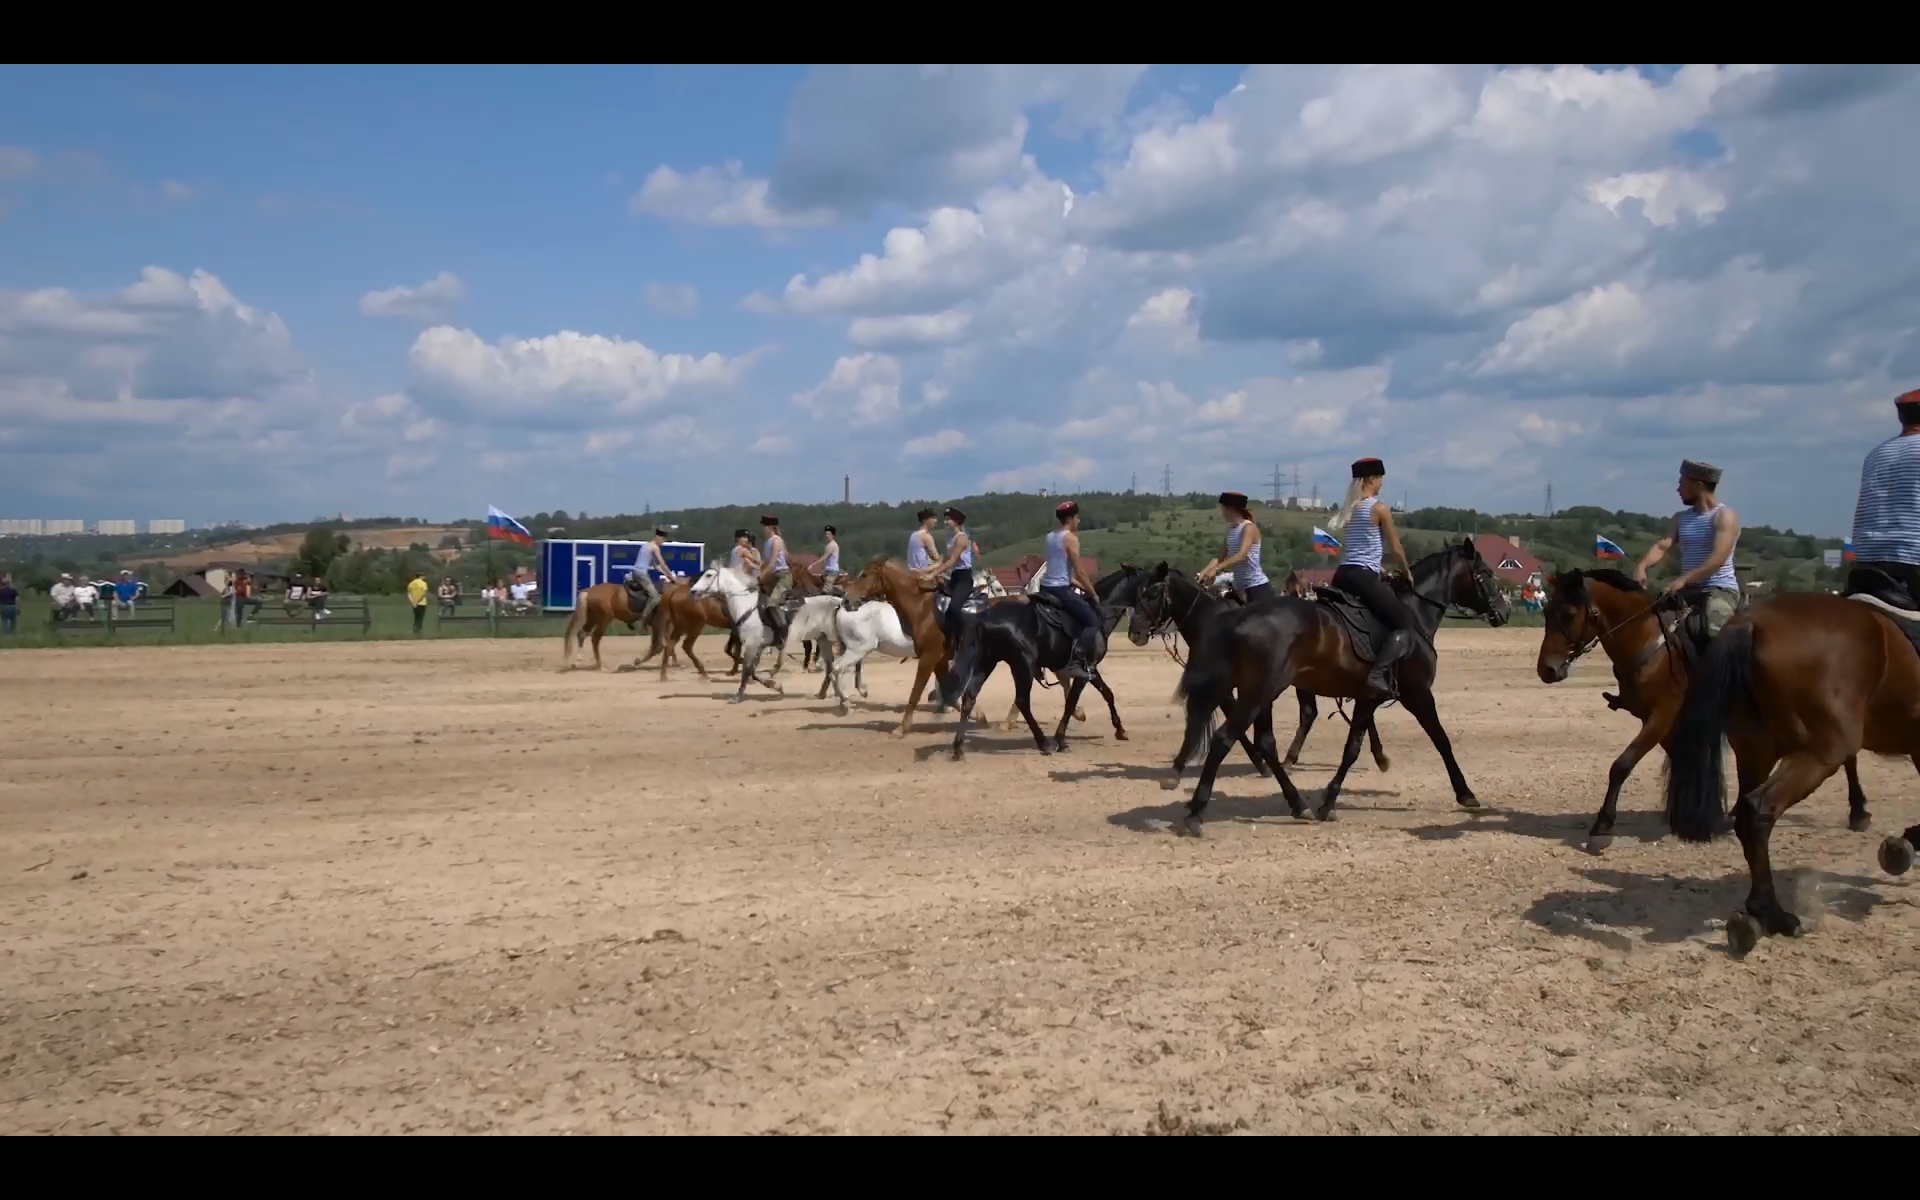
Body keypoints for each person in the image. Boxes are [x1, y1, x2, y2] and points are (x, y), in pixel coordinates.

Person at [1326, 457, 1417, 699]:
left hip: (1342, 574)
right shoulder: (1378, 508)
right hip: (1362, 577)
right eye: (1379, 479)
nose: (1381, 484)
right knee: (1404, 622)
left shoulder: (1350, 509)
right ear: (1371, 479)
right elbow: (1396, 548)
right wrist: (1406, 572)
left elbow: (1361, 548)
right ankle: (1378, 674)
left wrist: (1380, 570)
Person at [1633, 459, 1742, 639]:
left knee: (1712, 632)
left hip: (1719, 589)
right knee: (1650, 621)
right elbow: (1663, 545)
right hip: (1687, 589)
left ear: (1697, 485)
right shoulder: (1680, 518)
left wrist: (1683, 580)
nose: (1678, 490)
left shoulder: (1723, 516)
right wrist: (1641, 566)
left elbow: (1718, 559)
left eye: (1681, 484)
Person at [1848, 388, 1920, 600]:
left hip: (1868, 558)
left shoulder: (1876, 454)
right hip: (1914, 556)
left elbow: (1862, 508)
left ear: (1901, 417)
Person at [1034, 500, 1103, 682]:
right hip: (1060, 590)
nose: (1078, 521)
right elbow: (1079, 571)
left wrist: (1082, 588)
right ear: (1071, 519)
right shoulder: (1071, 538)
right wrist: (1093, 593)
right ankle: (1076, 660)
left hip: (1045, 587)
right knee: (1092, 621)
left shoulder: (1050, 537)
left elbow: (1064, 572)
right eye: (1077, 518)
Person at [1198, 491, 1272, 602]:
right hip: (1239, 589)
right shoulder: (1230, 530)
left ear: (1232, 509)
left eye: (1223, 508)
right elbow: (1219, 558)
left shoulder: (1248, 528)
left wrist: (1217, 569)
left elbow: (1241, 555)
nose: (1222, 511)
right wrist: (1204, 572)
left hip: (1256, 588)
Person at [922, 506, 975, 644]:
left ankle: (966, 638)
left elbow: (952, 561)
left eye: (948, 519)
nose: (946, 522)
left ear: (956, 521)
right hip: (954, 578)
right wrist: (928, 571)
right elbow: (944, 560)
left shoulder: (961, 538)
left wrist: (933, 573)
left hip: (964, 578)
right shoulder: (950, 538)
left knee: (954, 607)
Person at [625, 526, 673, 625]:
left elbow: (655, 565)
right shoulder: (655, 547)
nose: (662, 543)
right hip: (641, 574)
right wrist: (671, 575)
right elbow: (662, 563)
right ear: (659, 537)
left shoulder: (646, 545)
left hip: (634, 572)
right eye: (663, 540)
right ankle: (642, 619)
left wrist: (665, 574)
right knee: (656, 597)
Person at [759, 514, 792, 643]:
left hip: (783, 577)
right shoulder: (767, 542)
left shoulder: (776, 540)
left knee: (773, 603)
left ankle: (784, 633)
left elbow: (772, 563)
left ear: (770, 527)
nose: (763, 529)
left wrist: (760, 576)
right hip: (772, 577)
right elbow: (764, 562)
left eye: (764, 526)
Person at [907, 508, 938, 572]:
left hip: (911, 572)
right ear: (924, 520)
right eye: (932, 518)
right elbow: (936, 558)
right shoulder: (927, 537)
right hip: (923, 573)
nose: (935, 520)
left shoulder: (913, 534)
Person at [818, 525, 843, 589]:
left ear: (833, 535)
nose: (827, 535)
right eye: (826, 534)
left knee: (826, 591)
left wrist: (813, 564)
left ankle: (838, 590)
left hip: (832, 571)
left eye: (829, 534)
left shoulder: (832, 545)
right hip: (827, 571)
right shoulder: (828, 545)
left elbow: (825, 556)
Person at [407, 570, 429, 634]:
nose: (424, 577)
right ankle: (419, 631)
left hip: (414, 604)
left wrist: (413, 602)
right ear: (420, 576)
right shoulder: (423, 583)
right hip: (422, 603)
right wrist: (417, 601)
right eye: (423, 576)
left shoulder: (411, 583)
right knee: (420, 617)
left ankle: (414, 630)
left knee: (416, 617)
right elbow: (423, 594)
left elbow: (409, 594)